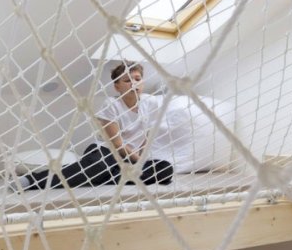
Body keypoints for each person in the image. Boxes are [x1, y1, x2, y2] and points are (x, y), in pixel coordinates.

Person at [11, 61, 173, 190]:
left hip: (129, 160)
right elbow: (117, 145)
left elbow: (147, 136)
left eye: (137, 79)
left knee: (165, 169)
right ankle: (30, 181)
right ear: (117, 86)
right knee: (100, 167)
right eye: (127, 80)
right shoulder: (111, 104)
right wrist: (140, 162)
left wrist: (141, 160)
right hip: (106, 152)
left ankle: (105, 176)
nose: (133, 83)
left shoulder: (151, 102)